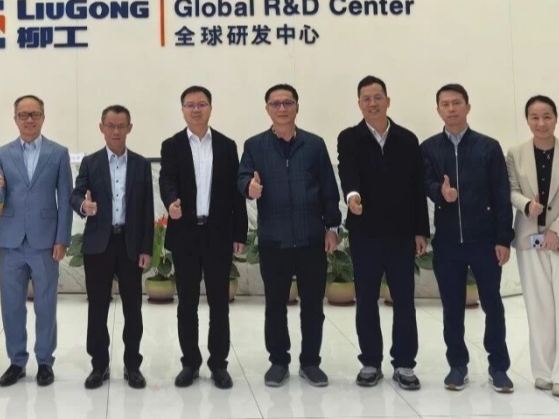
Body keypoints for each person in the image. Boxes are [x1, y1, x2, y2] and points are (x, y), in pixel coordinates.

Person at [237, 83, 341, 388]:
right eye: (276, 103)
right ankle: (278, 362)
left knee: (313, 306)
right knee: (275, 305)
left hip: (311, 239)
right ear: (267, 108)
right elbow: (242, 178)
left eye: (288, 103)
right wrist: (249, 187)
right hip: (274, 240)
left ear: (297, 107)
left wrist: (332, 228)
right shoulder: (255, 145)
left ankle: (310, 362)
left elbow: (329, 188)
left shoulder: (314, 144)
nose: (282, 108)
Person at [420, 84, 515, 393]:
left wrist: (503, 239)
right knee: (452, 308)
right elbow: (425, 183)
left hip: (484, 241)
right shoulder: (429, 148)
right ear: (438, 110)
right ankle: (457, 366)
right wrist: (441, 192)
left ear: (467, 107)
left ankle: (498, 367)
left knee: (493, 305)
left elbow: (501, 194)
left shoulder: (488, 147)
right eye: (445, 104)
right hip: (448, 243)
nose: (451, 109)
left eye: (456, 103)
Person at [336, 76, 428, 391]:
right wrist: (352, 196)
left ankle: (404, 363)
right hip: (365, 234)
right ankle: (370, 362)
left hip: (402, 234)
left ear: (388, 101)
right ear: (359, 103)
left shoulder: (407, 139)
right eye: (366, 98)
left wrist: (421, 230)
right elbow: (346, 171)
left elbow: (417, 187)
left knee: (403, 300)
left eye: (378, 98)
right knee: (366, 300)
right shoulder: (349, 138)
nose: (372, 103)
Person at [160, 85, 247, 390]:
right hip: (185, 233)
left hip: (218, 234)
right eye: (190, 105)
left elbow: (236, 193)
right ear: (182, 110)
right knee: (187, 304)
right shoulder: (172, 145)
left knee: (219, 304)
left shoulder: (226, 145)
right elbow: (167, 178)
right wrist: (170, 201)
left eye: (201, 104)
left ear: (210, 108)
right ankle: (190, 363)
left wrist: (239, 232)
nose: (196, 110)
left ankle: (218, 364)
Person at [506, 95, 559, 397]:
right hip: (530, 239)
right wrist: (526, 205)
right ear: (527, 120)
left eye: (547, 116)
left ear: (556, 118)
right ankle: (544, 371)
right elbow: (511, 189)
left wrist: (557, 229)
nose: (541, 123)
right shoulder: (515, 154)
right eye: (534, 117)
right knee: (538, 306)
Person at [0, 95, 72, 387]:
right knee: (11, 305)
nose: (29, 119)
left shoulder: (58, 153)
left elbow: (65, 198)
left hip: (45, 241)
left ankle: (45, 362)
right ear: (15, 118)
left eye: (34, 114)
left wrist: (62, 238)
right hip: (11, 241)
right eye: (23, 115)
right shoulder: (3, 153)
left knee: (46, 305)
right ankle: (17, 362)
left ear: (43, 117)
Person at [71, 105, 153, 390]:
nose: (116, 131)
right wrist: (84, 205)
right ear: (102, 128)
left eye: (121, 126)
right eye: (111, 126)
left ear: (129, 128)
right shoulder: (90, 162)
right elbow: (76, 194)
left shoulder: (141, 164)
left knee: (133, 308)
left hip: (130, 244)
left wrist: (146, 248)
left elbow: (147, 209)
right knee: (97, 308)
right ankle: (99, 365)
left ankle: (133, 365)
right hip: (99, 245)